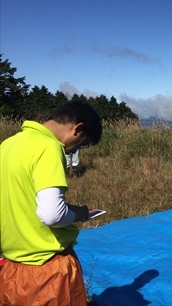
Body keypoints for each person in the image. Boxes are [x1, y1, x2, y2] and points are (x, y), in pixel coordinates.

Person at [0, 100, 102, 306]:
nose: (73, 151)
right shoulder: (49, 147)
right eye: (82, 144)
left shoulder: (8, 144)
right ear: (78, 128)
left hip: (12, 267)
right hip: (49, 272)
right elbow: (52, 214)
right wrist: (79, 214)